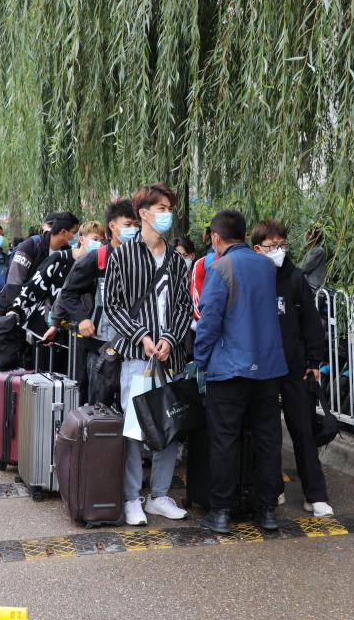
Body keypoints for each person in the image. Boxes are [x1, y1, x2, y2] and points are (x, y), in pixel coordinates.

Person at [194, 209, 288, 534]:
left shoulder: (220, 268)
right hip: (268, 370)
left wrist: (201, 360)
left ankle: (221, 512)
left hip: (230, 371)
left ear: (215, 237)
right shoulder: (266, 266)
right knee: (268, 440)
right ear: (246, 236)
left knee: (224, 441)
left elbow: (209, 321)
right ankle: (267, 511)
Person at [105, 183, 192, 526]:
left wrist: (169, 338)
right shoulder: (122, 256)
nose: (167, 215)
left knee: (168, 423)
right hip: (137, 358)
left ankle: (159, 495)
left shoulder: (177, 260)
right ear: (143, 213)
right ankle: (131, 497)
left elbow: (184, 306)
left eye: (169, 209)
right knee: (134, 428)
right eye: (161, 209)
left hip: (170, 358)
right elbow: (112, 305)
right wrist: (141, 335)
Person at [252, 219, 333, 517]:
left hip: (295, 368)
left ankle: (316, 494)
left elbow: (311, 324)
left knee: (303, 430)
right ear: (257, 249)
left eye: (282, 245)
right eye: (272, 246)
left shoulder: (295, 278)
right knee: (267, 432)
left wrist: (313, 362)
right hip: (262, 369)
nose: (279, 251)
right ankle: (272, 488)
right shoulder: (251, 278)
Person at [54, 199, 140, 404]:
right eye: (128, 225)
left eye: (136, 225)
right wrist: (82, 319)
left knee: (133, 408)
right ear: (112, 226)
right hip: (102, 346)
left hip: (135, 345)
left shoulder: (141, 258)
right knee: (99, 407)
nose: (133, 230)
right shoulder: (96, 258)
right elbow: (68, 293)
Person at [10, 220, 105, 339]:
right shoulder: (59, 258)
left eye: (102, 241)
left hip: (80, 328)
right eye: (95, 239)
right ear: (81, 240)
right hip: (47, 325)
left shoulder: (98, 266)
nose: (99, 244)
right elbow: (35, 285)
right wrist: (15, 308)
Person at [0, 212, 79, 313]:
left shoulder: (67, 253)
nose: (76, 237)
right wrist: (15, 311)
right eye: (74, 232)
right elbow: (14, 283)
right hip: (18, 308)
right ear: (63, 232)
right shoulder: (31, 246)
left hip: (46, 312)